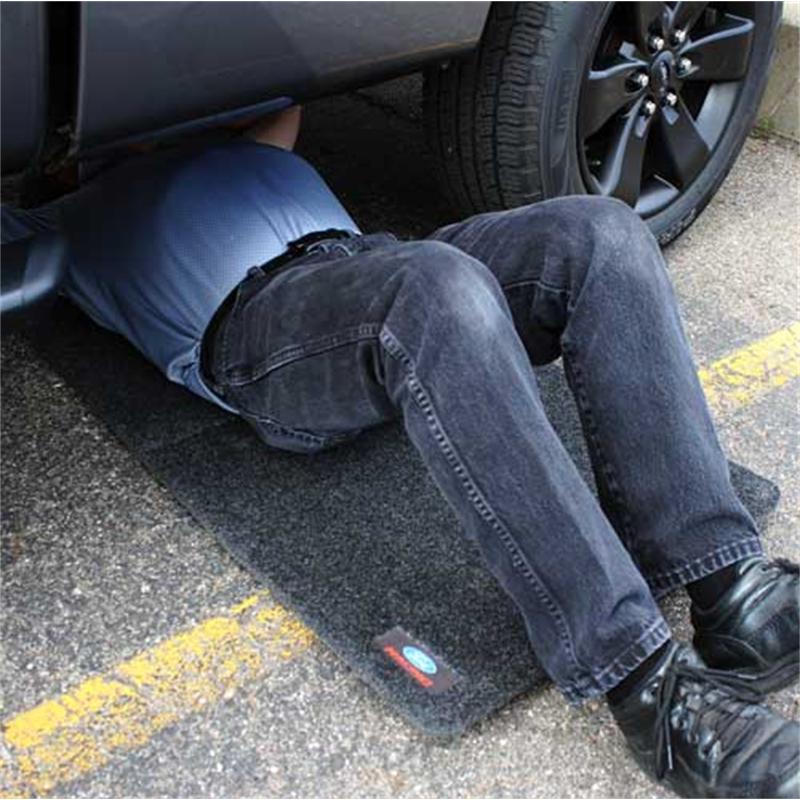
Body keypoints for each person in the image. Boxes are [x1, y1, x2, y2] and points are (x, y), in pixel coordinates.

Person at [3, 105, 798, 798]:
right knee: (434, 290)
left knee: (601, 234)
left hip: (377, 261)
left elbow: (282, 94)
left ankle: (733, 593)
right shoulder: (61, 222)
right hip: (262, 333)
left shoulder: (246, 146)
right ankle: (648, 687)